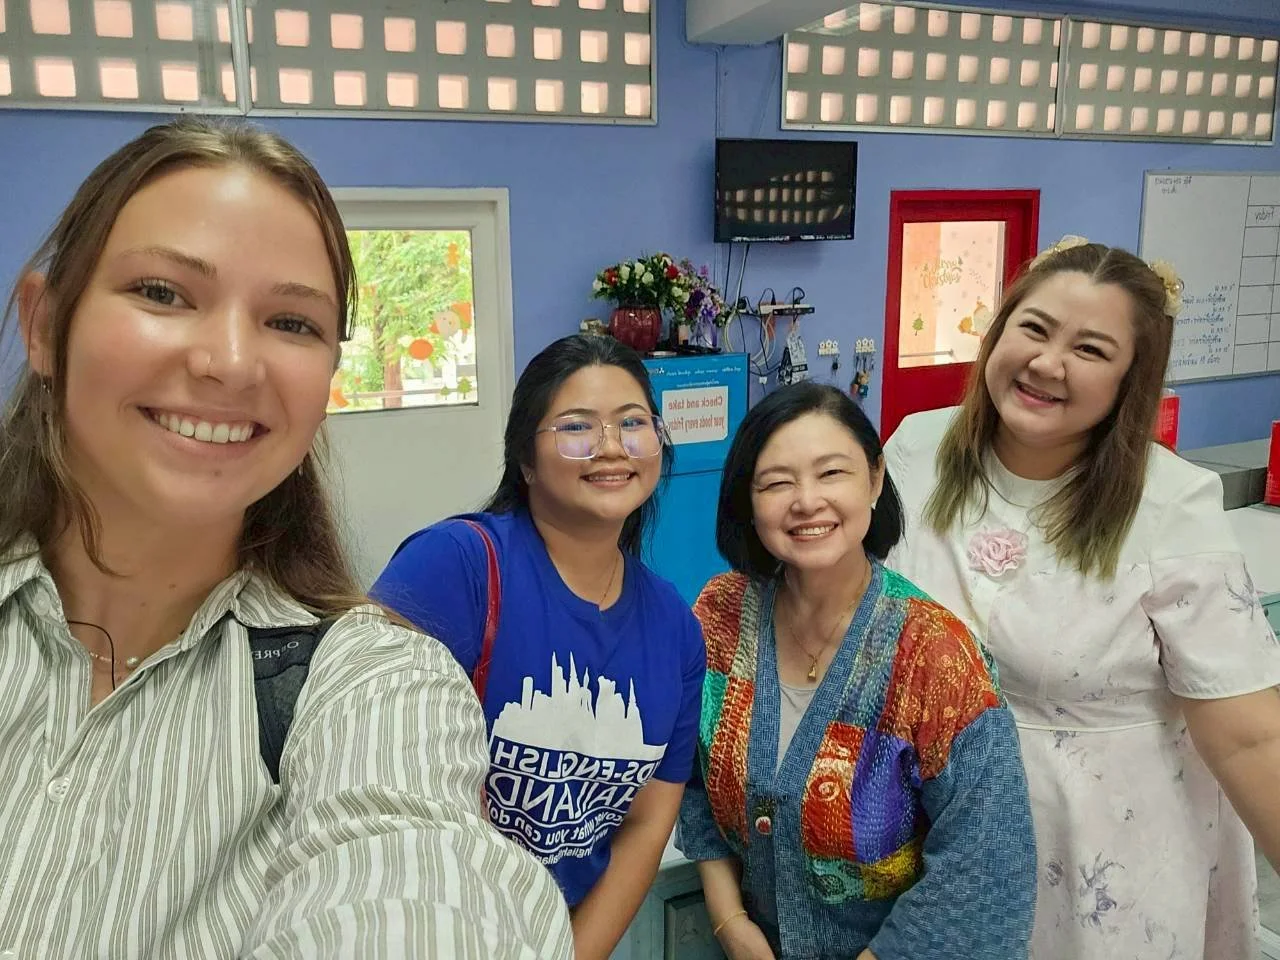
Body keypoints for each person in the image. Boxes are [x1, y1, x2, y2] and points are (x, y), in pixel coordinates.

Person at [0, 118, 573, 958]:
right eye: (162, 293)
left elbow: (415, 873)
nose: (232, 363)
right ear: (45, 324)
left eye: (292, 323)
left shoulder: (372, 686)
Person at [884, 235, 1280, 959]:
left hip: (1103, 860)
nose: (1046, 363)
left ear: (1133, 378)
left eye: (1091, 349)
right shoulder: (917, 451)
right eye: (1032, 328)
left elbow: (1250, 732)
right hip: (932, 835)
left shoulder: (1169, 504)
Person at [371, 333, 706, 960]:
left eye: (633, 423)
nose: (611, 446)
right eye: (577, 426)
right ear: (526, 460)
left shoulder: (675, 629)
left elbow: (643, 828)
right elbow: (363, 774)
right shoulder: (455, 567)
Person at [676, 381, 1037, 960]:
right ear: (747, 499)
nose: (806, 500)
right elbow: (691, 781)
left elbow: (982, 871)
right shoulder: (722, 615)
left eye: (831, 473)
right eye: (776, 482)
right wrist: (731, 923)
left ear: (874, 480)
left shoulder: (936, 657)